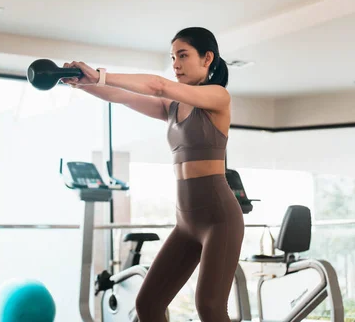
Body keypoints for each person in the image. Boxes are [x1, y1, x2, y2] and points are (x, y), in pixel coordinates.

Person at [61, 27, 244, 322]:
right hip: (186, 222)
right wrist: (82, 83)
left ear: (207, 58)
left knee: (210, 307)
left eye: (183, 55)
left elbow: (158, 85)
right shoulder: (173, 107)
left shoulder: (218, 97)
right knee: (149, 304)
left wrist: (99, 74)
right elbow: (121, 96)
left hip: (219, 218)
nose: (176, 64)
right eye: (173, 57)